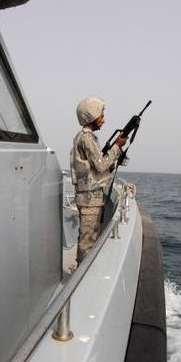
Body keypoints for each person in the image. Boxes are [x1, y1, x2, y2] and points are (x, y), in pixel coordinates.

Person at [70, 96, 127, 264]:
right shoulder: (86, 138)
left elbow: (96, 167)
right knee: (87, 241)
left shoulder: (86, 138)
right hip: (89, 199)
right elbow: (101, 165)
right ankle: (81, 276)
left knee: (89, 238)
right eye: (101, 115)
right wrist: (117, 146)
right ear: (92, 116)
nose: (104, 119)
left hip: (91, 198)